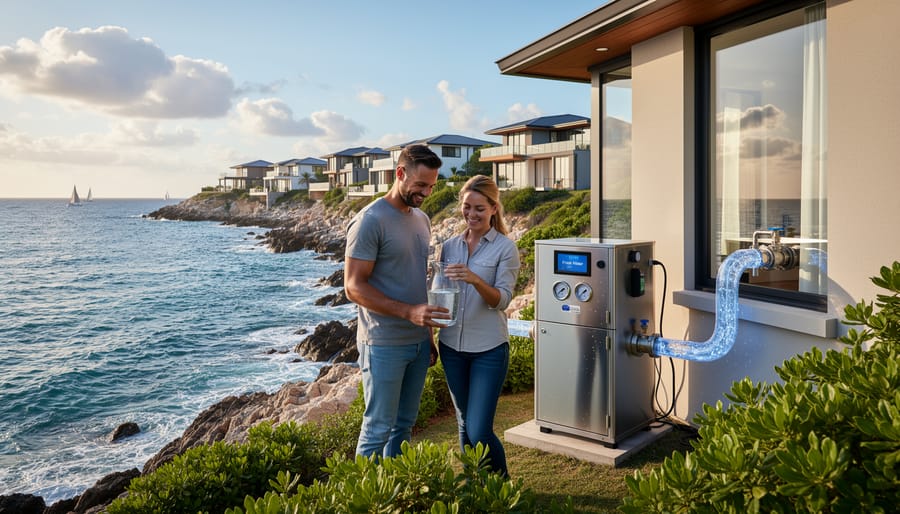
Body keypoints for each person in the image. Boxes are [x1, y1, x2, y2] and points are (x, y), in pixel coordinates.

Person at [344, 143, 448, 459]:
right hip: (383, 343)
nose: (426, 193)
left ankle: (395, 498)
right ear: (399, 173)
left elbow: (417, 281)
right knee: (377, 429)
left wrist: (427, 336)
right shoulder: (370, 220)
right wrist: (409, 312)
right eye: (420, 185)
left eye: (431, 185)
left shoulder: (422, 219)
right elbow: (353, 287)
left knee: (404, 426)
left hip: (417, 342)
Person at [436, 174, 520, 476]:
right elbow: (439, 294)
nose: (471, 214)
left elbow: (502, 300)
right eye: (466, 207)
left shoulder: (505, 249)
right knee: (463, 425)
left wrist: (473, 278)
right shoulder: (448, 247)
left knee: (479, 429)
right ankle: (477, 488)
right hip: (451, 348)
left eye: (479, 209)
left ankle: (501, 487)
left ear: (494, 208)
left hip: (489, 349)